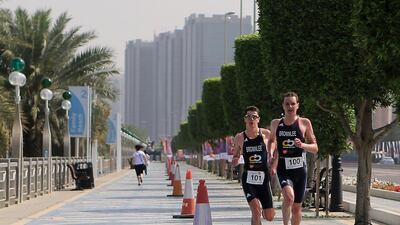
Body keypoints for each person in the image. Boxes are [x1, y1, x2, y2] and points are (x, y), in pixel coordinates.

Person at [267, 92, 318, 225]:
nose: (290, 106)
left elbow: (315, 147)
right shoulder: (275, 123)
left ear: (297, 106)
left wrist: (303, 145)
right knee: (289, 198)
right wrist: (270, 152)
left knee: (296, 208)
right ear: (283, 106)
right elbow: (271, 140)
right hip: (283, 168)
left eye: (292, 103)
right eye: (287, 104)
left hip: (300, 170)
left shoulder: (304, 122)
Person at [232, 106, 275, 225]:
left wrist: (274, 163)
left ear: (258, 119)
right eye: (248, 116)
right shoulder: (240, 137)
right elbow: (235, 155)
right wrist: (235, 161)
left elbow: (277, 152)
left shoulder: (266, 134)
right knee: (256, 210)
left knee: (269, 217)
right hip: (248, 179)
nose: (251, 119)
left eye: (254, 117)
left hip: (264, 178)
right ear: (245, 119)